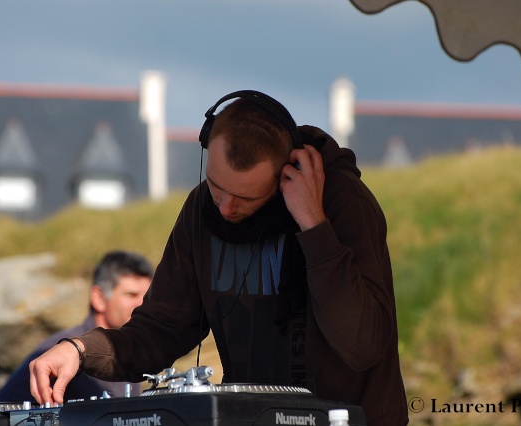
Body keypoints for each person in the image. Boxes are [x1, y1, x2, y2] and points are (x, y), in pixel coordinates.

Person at [29, 90, 409, 425]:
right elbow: (161, 329)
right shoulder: (201, 211)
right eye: (216, 186)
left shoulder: (343, 205)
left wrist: (313, 225)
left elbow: (362, 345)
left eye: (246, 198)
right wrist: (79, 350)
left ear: (286, 176)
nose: (225, 208)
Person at [0, 250, 154, 402]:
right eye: (131, 295)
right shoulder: (59, 352)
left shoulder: (131, 349)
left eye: (147, 296)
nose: (142, 304)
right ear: (98, 297)